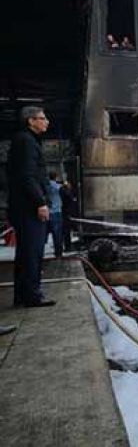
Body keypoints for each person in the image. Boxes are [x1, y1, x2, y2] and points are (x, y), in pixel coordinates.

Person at [8, 106, 56, 307]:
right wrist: (40, 203)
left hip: (23, 207)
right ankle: (32, 295)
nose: (47, 122)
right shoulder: (26, 142)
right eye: (42, 118)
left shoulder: (25, 141)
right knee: (32, 253)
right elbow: (27, 176)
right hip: (28, 208)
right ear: (31, 121)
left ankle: (23, 295)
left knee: (26, 253)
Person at [46, 171, 63, 257]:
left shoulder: (46, 186)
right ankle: (58, 253)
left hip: (48, 212)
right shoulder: (57, 186)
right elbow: (64, 190)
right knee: (57, 234)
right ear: (56, 177)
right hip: (56, 212)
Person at [60, 180, 79, 251]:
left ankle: (67, 246)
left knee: (66, 231)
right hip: (67, 213)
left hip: (67, 213)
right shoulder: (67, 192)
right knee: (66, 231)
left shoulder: (66, 192)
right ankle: (67, 246)